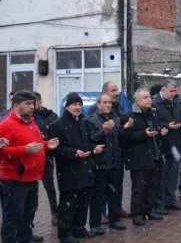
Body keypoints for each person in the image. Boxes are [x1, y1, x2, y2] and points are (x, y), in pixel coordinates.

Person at [0, 90, 59, 243]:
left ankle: (26, 239)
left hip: (32, 178)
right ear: (15, 105)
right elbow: (2, 152)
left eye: (32, 104)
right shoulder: (6, 125)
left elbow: (35, 146)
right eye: (27, 104)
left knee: (28, 214)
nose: (32, 107)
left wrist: (46, 145)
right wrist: (24, 150)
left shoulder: (31, 123)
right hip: (14, 181)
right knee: (13, 217)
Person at [48, 93, 103, 242]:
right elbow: (54, 150)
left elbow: (86, 144)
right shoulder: (57, 125)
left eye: (79, 104)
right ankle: (65, 233)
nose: (77, 107)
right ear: (67, 106)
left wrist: (93, 148)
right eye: (74, 104)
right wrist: (74, 153)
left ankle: (79, 228)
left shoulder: (82, 123)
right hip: (68, 171)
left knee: (83, 202)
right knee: (68, 205)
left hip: (85, 169)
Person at [85, 81, 129, 219]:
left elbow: (118, 132)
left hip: (116, 156)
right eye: (113, 90)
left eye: (117, 90)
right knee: (101, 188)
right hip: (102, 159)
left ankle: (116, 210)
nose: (116, 93)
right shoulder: (93, 113)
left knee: (116, 186)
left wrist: (126, 127)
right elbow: (91, 138)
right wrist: (104, 131)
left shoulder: (118, 108)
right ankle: (102, 212)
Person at [123, 88, 165, 226]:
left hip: (154, 155)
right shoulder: (129, 116)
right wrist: (143, 134)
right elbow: (125, 137)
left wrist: (160, 131)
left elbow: (156, 128)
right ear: (137, 100)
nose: (149, 99)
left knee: (152, 186)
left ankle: (148, 209)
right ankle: (137, 213)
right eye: (145, 97)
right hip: (138, 158)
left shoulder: (153, 113)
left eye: (149, 97)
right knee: (139, 188)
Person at [153, 80, 181, 214]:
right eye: (171, 91)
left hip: (175, 143)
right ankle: (160, 203)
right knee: (161, 175)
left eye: (175, 91)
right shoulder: (155, 103)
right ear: (163, 90)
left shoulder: (176, 101)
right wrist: (166, 126)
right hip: (161, 144)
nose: (174, 93)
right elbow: (153, 122)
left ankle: (170, 199)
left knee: (173, 173)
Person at [31, 92, 59, 226]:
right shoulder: (25, 117)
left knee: (49, 185)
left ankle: (55, 212)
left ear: (40, 102)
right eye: (30, 102)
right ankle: (29, 219)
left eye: (34, 102)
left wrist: (46, 136)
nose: (32, 106)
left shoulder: (50, 116)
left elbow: (58, 132)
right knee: (30, 187)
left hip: (46, 155)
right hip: (29, 156)